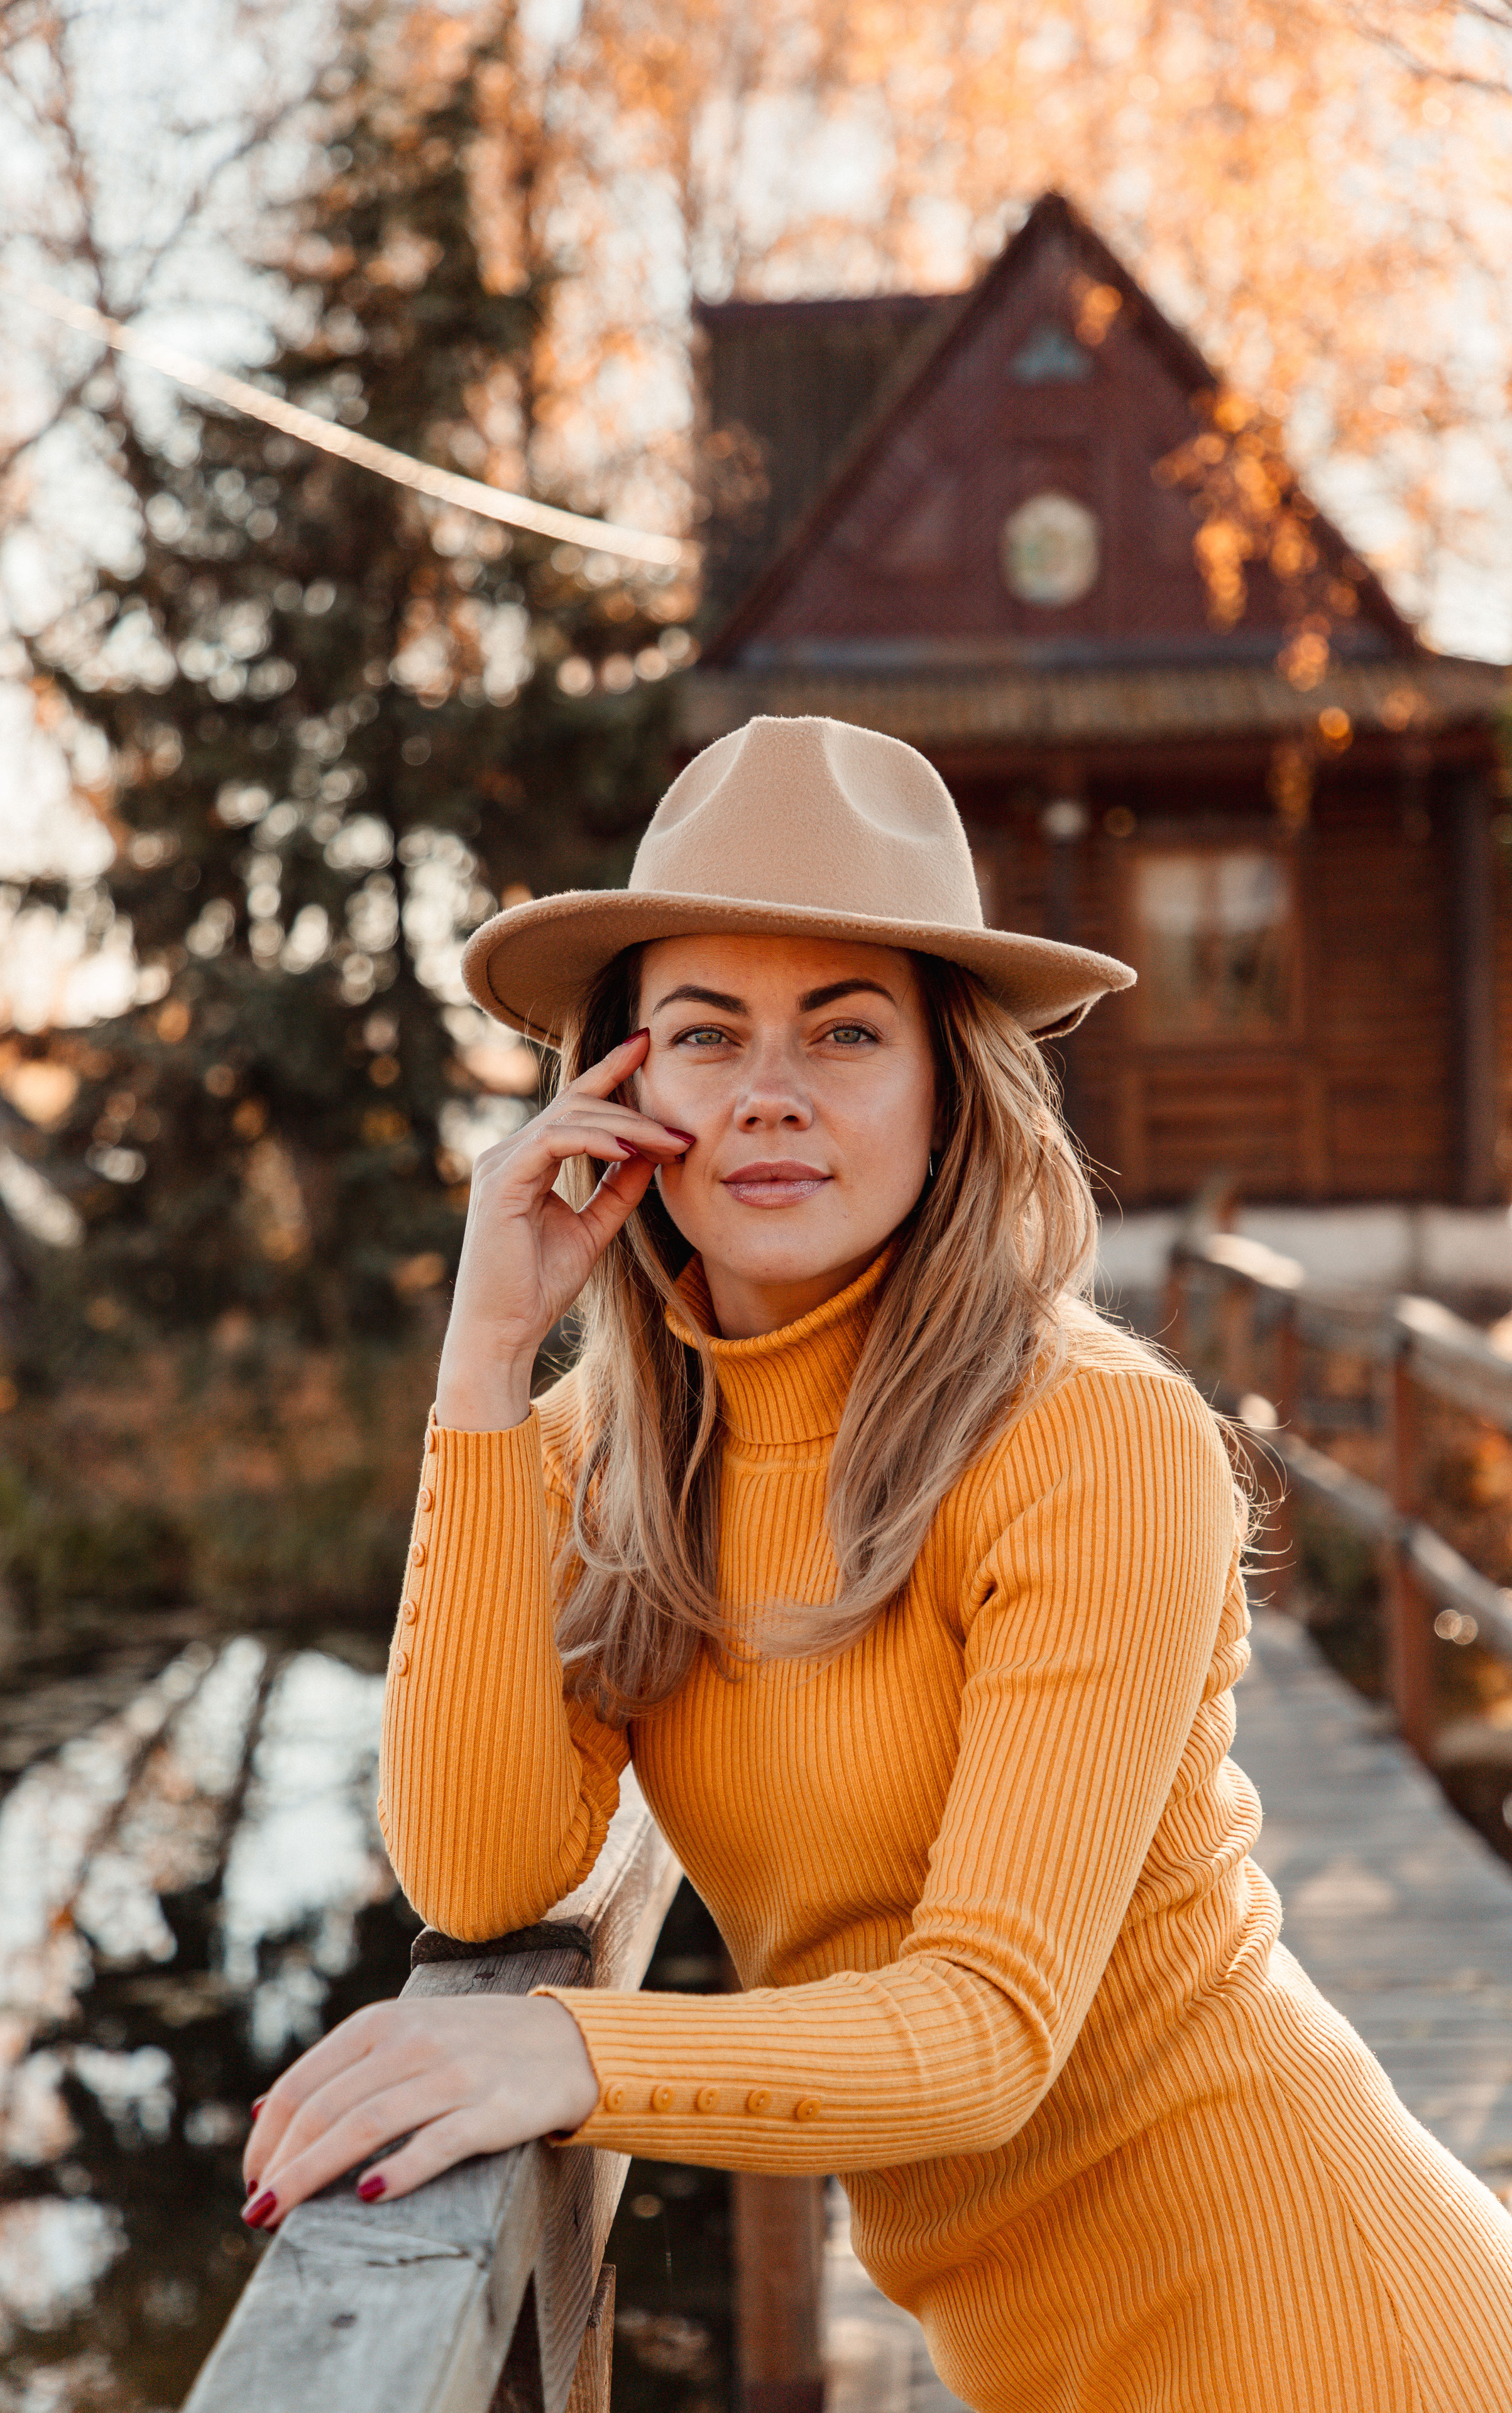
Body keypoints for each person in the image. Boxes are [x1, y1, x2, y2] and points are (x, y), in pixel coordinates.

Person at [243, 716, 1512, 2410]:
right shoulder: (597, 1457)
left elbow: (985, 2033)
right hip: (1041, 2362)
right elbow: (479, 1879)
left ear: (946, 1088)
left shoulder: (1091, 1438)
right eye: (707, 1034)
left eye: (845, 1031)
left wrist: (562, 2047)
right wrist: (482, 1369)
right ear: (621, 1093)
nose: (769, 1091)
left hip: (1323, 2335)